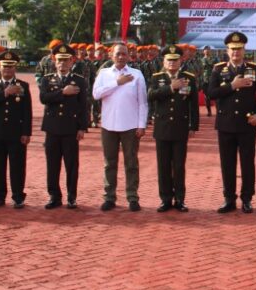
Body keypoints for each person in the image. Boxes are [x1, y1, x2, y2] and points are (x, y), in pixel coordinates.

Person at [207, 32, 256, 213]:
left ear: (244, 49)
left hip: (247, 124)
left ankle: (247, 198)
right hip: (225, 124)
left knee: (247, 163)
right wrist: (232, 85)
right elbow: (211, 93)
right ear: (227, 50)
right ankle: (229, 199)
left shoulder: (253, 68)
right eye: (232, 49)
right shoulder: (218, 69)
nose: (236, 52)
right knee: (227, 163)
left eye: (239, 49)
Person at [92, 42, 149, 211]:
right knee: (109, 163)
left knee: (131, 163)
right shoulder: (104, 73)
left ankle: (132, 197)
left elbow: (142, 103)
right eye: (118, 54)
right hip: (109, 125)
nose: (121, 57)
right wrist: (117, 82)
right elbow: (96, 94)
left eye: (124, 54)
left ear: (129, 56)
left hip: (130, 126)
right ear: (111, 55)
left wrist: (141, 125)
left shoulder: (136, 74)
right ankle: (109, 197)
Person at [148, 45, 199, 212]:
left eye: (175, 60)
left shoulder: (189, 78)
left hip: (180, 127)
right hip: (162, 128)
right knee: (163, 166)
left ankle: (180, 199)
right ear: (164, 61)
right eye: (168, 60)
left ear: (180, 60)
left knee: (178, 166)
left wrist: (193, 126)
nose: (172, 63)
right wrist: (171, 87)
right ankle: (165, 199)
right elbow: (151, 95)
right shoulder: (157, 77)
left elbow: (193, 104)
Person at [40, 44, 88, 209]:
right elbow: (44, 98)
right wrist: (63, 93)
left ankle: (71, 196)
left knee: (71, 165)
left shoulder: (79, 80)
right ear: (54, 60)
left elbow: (83, 105)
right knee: (52, 165)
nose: (62, 63)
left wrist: (82, 127)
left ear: (72, 61)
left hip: (70, 128)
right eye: (59, 60)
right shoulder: (47, 79)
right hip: (52, 128)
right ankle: (54, 196)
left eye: (66, 60)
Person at [0, 51, 32, 209]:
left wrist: (26, 132)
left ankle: (18, 196)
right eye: (5, 66)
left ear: (15, 68)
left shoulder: (23, 86)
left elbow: (27, 111)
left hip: (16, 132)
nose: (8, 70)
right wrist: (5, 93)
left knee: (17, 166)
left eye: (11, 67)